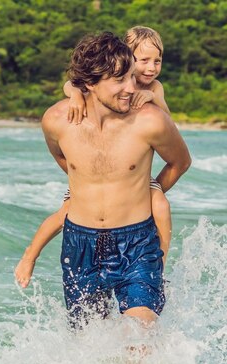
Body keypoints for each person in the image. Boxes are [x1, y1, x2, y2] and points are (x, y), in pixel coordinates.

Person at [15, 31, 191, 329]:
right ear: (89, 84)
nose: (131, 87)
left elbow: (180, 162)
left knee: (140, 341)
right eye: (120, 80)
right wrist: (86, 188)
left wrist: (152, 189)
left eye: (132, 77)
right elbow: (65, 161)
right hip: (80, 245)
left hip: (136, 244)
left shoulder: (150, 120)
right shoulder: (56, 121)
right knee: (89, 345)